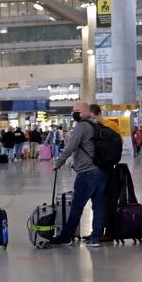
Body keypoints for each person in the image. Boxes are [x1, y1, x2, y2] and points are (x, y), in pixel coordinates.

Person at [50, 102, 109, 247]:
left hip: (87, 172)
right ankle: (95, 238)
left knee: (77, 205)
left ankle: (66, 237)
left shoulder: (82, 126)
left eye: (76, 111)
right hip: (101, 171)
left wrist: (58, 163)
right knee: (99, 205)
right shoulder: (96, 125)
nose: (74, 113)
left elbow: (70, 147)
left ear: (84, 112)